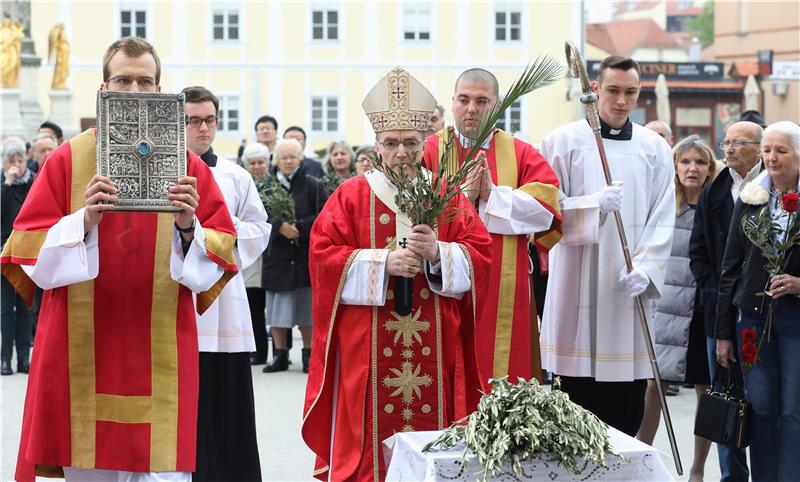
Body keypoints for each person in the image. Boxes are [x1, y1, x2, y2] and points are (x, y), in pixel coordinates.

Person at [0, 37, 238, 482]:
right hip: (80, 351)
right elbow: (27, 256)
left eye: (145, 81)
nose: (134, 90)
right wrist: (82, 221)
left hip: (163, 346)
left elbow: (222, 255)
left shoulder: (187, 165)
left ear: (160, 89)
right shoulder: (68, 160)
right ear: (104, 88)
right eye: (123, 79)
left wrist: (190, 227)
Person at [302, 67, 492, 481]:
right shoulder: (352, 194)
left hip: (436, 340)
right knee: (368, 438)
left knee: (435, 429)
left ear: (424, 143)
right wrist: (379, 264)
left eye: (410, 143)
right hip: (367, 342)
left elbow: (482, 255)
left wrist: (440, 254)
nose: (402, 153)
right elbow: (321, 256)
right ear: (376, 147)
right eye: (392, 143)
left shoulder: (446, 194)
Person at [539, 55, 676, 437]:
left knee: (624, 406)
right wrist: (590, 207)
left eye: (630, 92)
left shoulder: (654, 148)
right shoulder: (562, 142)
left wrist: (647, 269)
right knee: (574, 407)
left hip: (625, 290)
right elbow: (544, 209)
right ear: (595, 89)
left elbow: (664, 217)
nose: (621, 101)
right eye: (613, 91)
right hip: (576, 284)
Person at [423, 68, 561, 384]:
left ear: (496, 104)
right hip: (442, 280)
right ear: (453, 102)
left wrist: (492, 196)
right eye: (464, 99)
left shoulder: (519, 151)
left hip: (504, 282)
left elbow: (548, 207)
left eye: (482, 100)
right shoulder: (429, 150)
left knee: (501, 372)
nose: (471, 108)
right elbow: (412, 214)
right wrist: (464, 198)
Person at [181, 86, 270, 482]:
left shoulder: (234, 175)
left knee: (228, 400)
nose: (203, 128)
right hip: (178, 298)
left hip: (225, 302)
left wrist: (215, 231)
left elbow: (258, 227)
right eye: (193, 120)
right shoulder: (165, 174)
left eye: (209, 120)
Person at [715, 121, 800, 482]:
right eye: (768, 150)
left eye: (781, 150)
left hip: (796, 321)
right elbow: (730, 267)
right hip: (752, 321)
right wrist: (723, 332)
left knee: (793, 410)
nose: (772, 157)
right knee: (762, 408)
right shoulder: (751, 197)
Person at [636, 136, 716, 481]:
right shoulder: (665, 205)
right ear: (675, 167)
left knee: (706, 390)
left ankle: (698, 469)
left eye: (699, 162)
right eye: (685, 162)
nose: (692, 168)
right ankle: (642, 459)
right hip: (667, 308)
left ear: (710, 169)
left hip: (702, 310)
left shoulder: (718, 207)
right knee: (654, 386)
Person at [689, 121, 762, 481]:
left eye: (738, 143)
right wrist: (710, 290)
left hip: (760, 311)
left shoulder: (774, 189)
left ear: (759, 148)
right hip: (718, 309)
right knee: (723, 398)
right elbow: (698, 251)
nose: (729, 149)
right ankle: (731, 476)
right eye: (727, 142)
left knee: (761, 398)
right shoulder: (713, 190)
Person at [262, 138, 327, 374]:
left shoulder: (313, 184)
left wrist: (299, 226)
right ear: (276, 161)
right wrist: (279, 226)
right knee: (277, 308)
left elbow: (323, 215)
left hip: (303, 254)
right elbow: (258, 217)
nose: (288, 162)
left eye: (292, 157)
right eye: (284, 158)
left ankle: (308, 354)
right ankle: (280, 355)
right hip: (277, 255)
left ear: (300, 159)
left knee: (305, 309)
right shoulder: (266, 187)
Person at [1, 137, 35, 376]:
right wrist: (6, 184)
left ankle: (24, 358)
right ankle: (5, 359)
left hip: (26, 250)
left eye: (20, 160)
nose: (16, 164)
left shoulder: (34, 182)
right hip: (3, 250)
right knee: (5, 309)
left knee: (25, 307)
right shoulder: (3, 183)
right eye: (11, 160)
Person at [241, 142, 272, 365]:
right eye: (252, 163)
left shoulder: (274, 186)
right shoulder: (243, 183)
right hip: (251, 254)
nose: (257, 167)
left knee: (275, 306)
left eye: (261, 162)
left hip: (274, 253)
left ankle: (281, 351)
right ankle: (258, 350)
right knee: (253, 305)